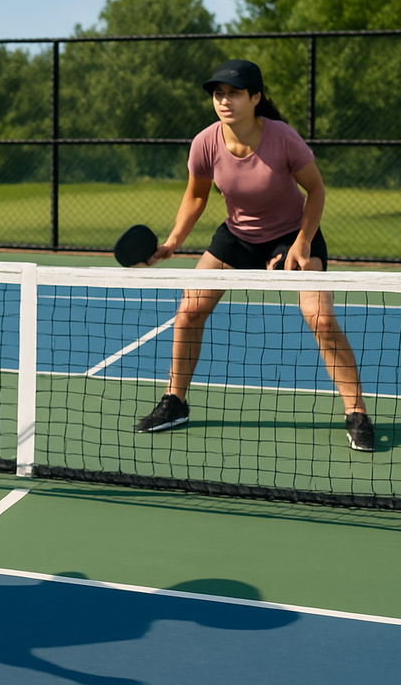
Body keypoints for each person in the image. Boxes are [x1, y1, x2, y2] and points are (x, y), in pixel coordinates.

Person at [135, 59, 375, 453]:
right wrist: (174, 241)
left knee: (320, 317)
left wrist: (302, 243)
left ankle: (357, 412)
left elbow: (316, 191)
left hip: (292, 234)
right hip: (237, 238)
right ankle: (175, 402)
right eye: (218, 94)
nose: (224, 100)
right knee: (189, 311)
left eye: (234, 93)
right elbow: (196, 195)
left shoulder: (282, 137)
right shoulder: (205, 142)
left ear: (255, 97)